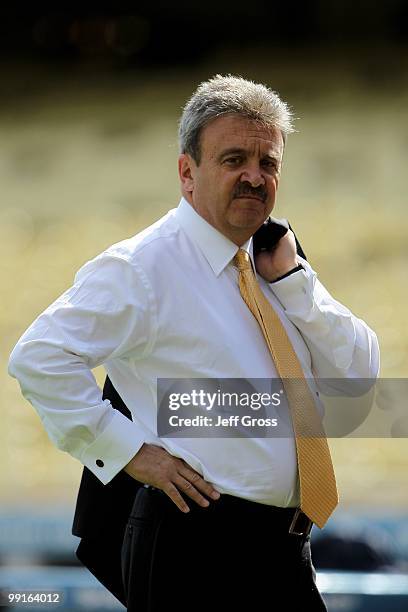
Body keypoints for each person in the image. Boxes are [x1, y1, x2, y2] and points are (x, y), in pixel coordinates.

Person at [8, 75, 380, 611]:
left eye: (268, 163)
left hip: (284, 549)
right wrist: (131, 452)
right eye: (234, 161)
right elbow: (39, 357)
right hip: (195, 547)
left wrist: (296, 282)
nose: (255, 177)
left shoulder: (274, 263)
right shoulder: (142, 267)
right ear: (188, 173)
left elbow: (360, 376)